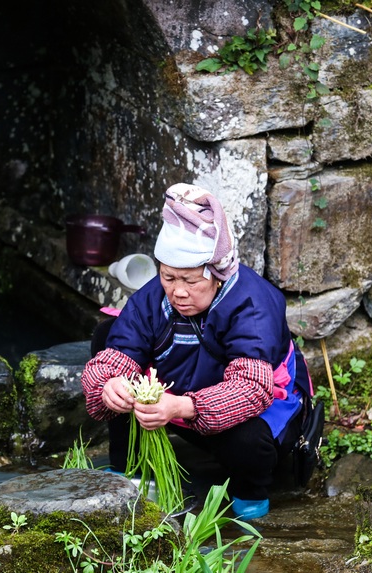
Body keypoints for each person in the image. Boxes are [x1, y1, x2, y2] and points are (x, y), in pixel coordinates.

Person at [81, 183, 310, 520]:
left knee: (246, 439)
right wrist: (107, 387)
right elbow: (120, 351)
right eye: (169, 277)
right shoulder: (154, 296)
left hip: (242, 414)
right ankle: (127, 469)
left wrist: (181, 406)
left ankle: (250, 495)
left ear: (217, 275)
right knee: (107, 334)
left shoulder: (252, 303)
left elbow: (252, 389)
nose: (177, 291)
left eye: (190, 280)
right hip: (181, 399)